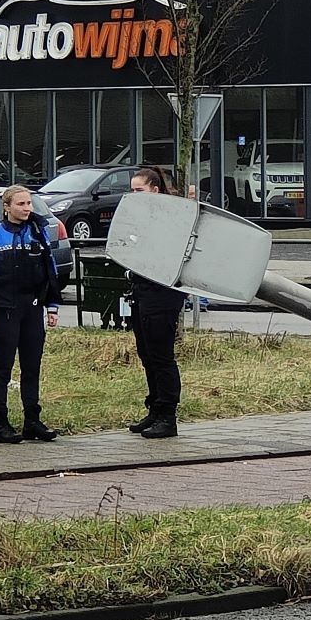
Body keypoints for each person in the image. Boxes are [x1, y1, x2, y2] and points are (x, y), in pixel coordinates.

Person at [0, 185, 62, 444]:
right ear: (7, 207)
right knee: (2, 369)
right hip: (3, 311)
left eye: (29, 204)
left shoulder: (38, 232)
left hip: (32, 308)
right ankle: (1, 425)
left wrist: (52, 305)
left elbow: (50, 270)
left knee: (32, 367)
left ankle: (32, 421)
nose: (27, 209)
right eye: (21, 204)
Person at [125, 165, 186, 439]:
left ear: (155, 190)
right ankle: (155, 408)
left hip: (162, 293)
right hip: (143, 290)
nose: (134, 195)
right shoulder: (140, 217)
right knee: (146, 353)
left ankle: (168, 416)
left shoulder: (169, 218)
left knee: (161, 356)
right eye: (131, 190)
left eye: (139, 190)